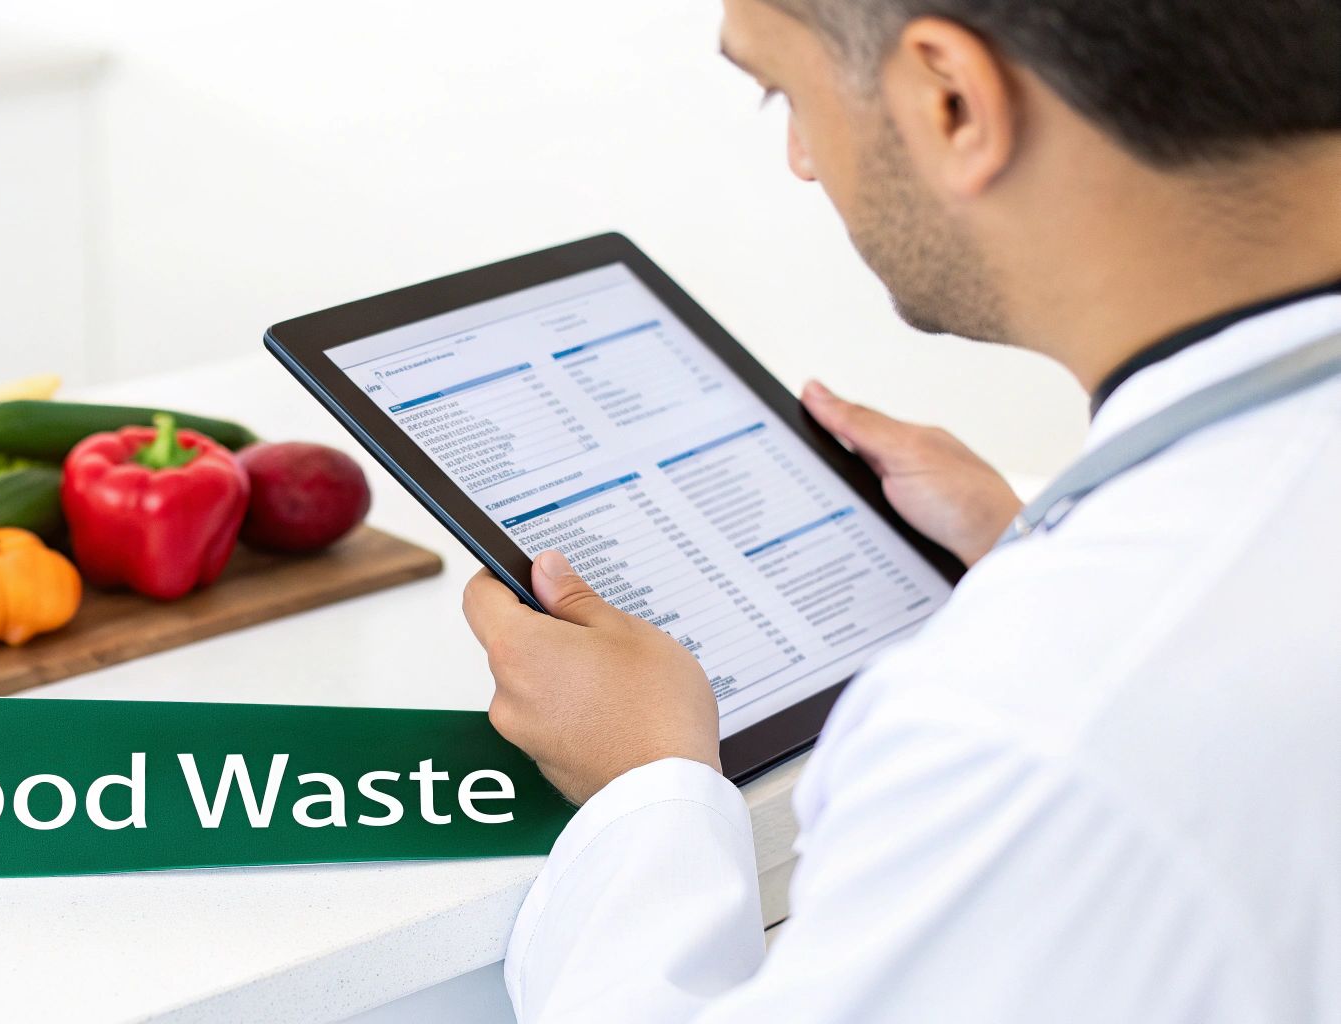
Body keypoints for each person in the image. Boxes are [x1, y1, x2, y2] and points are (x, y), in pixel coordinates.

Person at [460, 0, 1341, 1020]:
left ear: (950, 101)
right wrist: (1022, 545)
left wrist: (645, 784)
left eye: (780, 89)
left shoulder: (1025, 734)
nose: (798, 158)